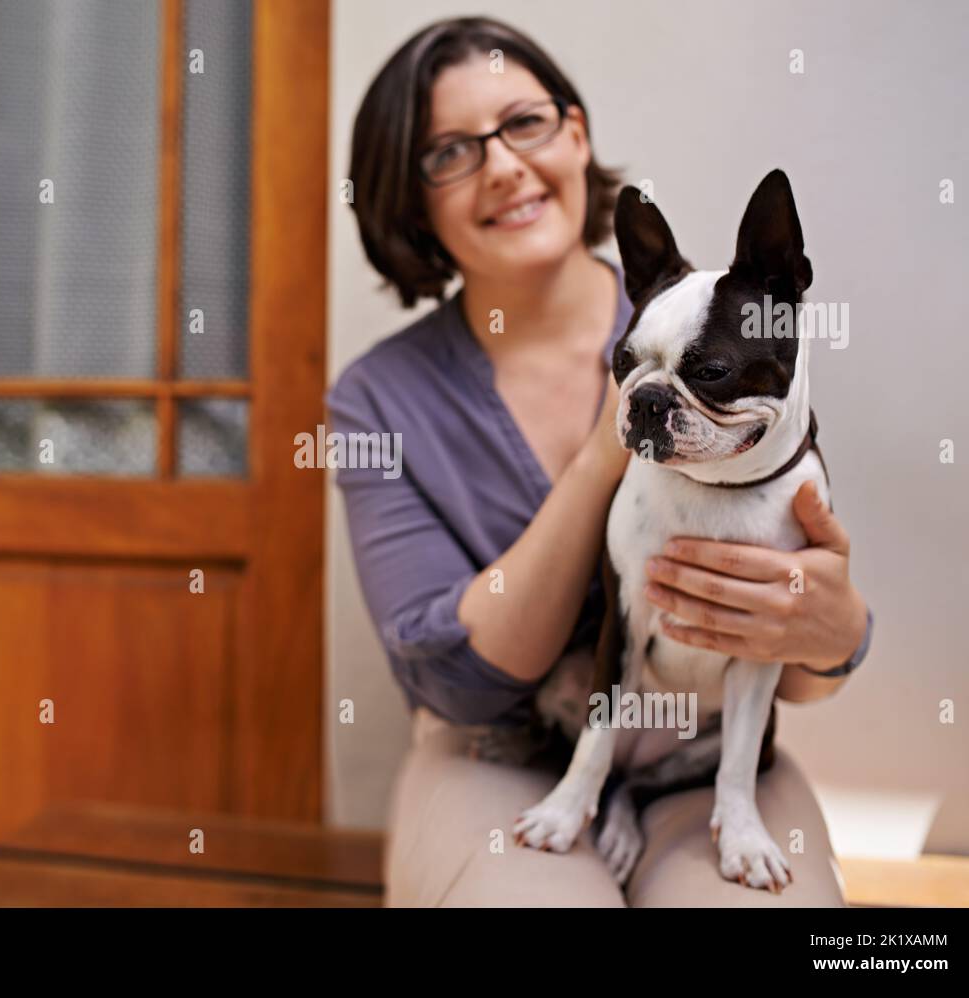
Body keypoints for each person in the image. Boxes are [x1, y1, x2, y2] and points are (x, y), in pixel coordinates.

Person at [326, 16, 873, 907]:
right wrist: (600, 458)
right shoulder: (378, 400)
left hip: (707, 752)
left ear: (576, 134)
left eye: (524, 124)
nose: (502, 165)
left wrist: (837, 629)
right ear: (407, 198)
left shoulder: (716, 319)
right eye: (449, 153)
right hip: (502, 749)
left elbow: (800, 649)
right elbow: (454, 683)